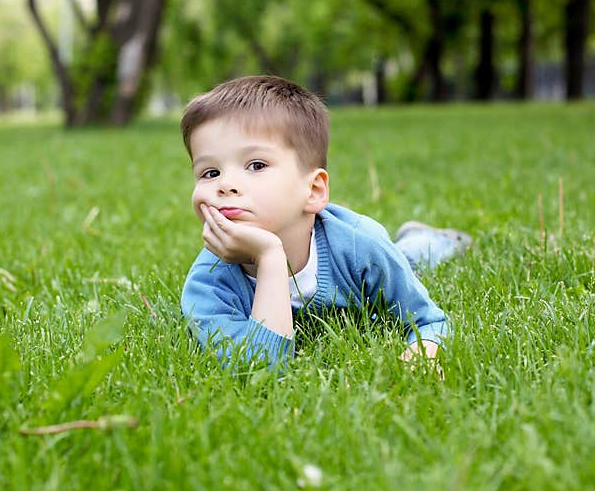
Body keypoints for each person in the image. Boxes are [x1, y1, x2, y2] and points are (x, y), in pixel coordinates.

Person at [179, 75, 471, 371]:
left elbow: (428, 320)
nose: (225, 185)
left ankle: (433, 239)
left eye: (256, 165)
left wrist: (425, 351)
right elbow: (260, 370)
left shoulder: (360, 245)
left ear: (314, 190)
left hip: (364, 256)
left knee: (409, 259)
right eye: (210, 173)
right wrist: (269, 258)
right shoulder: (207, 284)